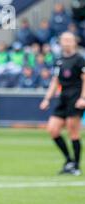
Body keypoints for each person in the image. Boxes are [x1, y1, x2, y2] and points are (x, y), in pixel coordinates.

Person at [40, 32, 85, 176]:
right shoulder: (59, 60)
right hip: (63, 97)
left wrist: (83, 98)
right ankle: (68, 160)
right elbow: (55, 81)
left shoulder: (80, 59)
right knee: (52, 130)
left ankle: (76, 166)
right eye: (63, 40)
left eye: (68, 40)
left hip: (76, 97)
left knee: (73, 131)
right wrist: (47, 98)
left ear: (74, 42)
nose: (66, 42)